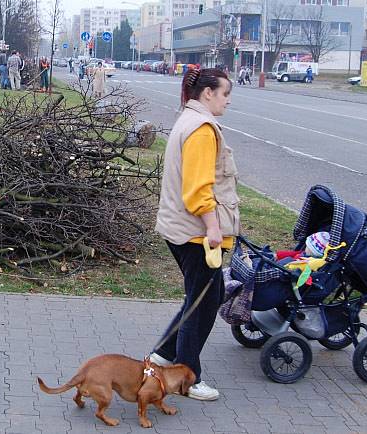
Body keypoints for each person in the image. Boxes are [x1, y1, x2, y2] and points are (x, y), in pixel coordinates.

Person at [150, 67, 238, 402]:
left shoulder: (188, 119)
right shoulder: (201, 129)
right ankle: (187, 375)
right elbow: (199, 188)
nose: (228, 101)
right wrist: (213, 228)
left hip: (181, 229)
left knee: (208, 296)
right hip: (196, 234)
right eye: (225, 94)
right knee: (199, 306)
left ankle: (162, 353)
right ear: (207, 93)